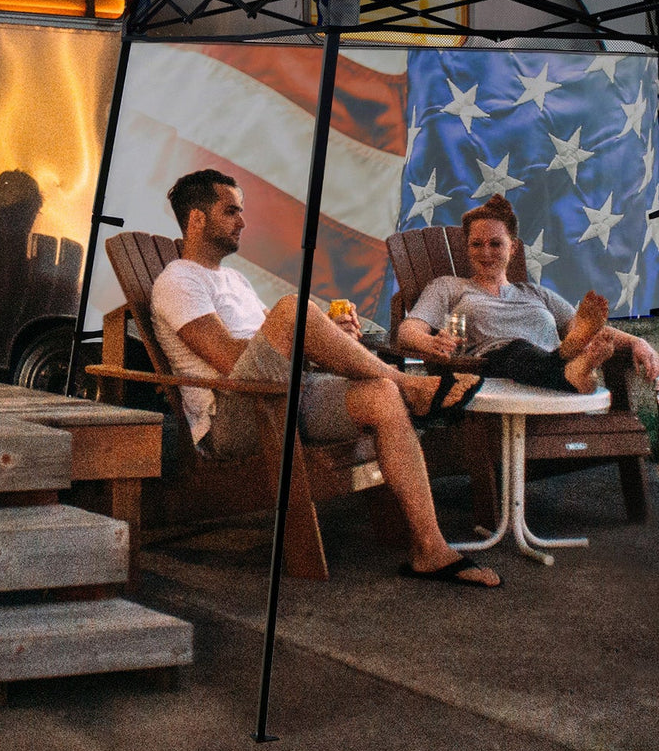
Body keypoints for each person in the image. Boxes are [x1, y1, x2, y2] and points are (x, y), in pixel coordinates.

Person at [150, 169, 499, 589]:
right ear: (196, 219)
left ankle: (430, 548)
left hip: (286, 394)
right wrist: (304, 337)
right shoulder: (177, 280)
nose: (242, 222)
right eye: (231, 211)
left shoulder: (235, 280)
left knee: (380, 394)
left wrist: (334, 341)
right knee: (294, 309)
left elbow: (278, 344)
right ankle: (412, 385)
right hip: (237, 414)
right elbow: (228, 359)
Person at [396, 194, 659, 392]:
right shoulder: (449, 287)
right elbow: (408, 330)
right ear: (467, 249)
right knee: (517, 348)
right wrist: (429, 343)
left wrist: (637, 342)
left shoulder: (535, 293)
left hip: (551, 382)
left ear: (513, 248)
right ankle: (573, 365)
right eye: (476, 244)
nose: (485, 252)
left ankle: (571, 363)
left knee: (571, 339)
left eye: (495, 244)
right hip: (496, 375)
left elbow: (586, 329)